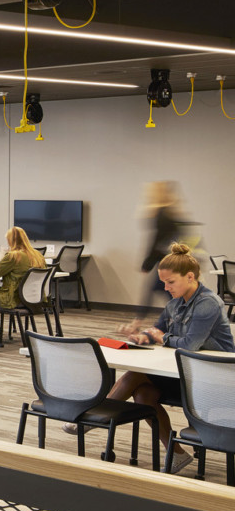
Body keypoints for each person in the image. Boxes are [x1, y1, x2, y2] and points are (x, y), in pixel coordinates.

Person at [95, 244, 234, 474]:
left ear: (190, 277)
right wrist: (141, 336)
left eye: (170, 282)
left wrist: (161, 336)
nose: (165, 287)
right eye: (163, 282)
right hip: (186, 373)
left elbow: (189, 344)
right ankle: (177, 454)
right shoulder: (175, 303)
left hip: (214, 379)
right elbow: (157, 330)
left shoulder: (207, 303)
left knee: (135, 375)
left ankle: (95, 414)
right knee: (143, 394)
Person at [139, 181, 191, 316]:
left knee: (161, 289)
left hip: (166, 259)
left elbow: (157, 240)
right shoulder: (172, 212)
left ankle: (138, 320)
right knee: (163, 289)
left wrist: (148, 263)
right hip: (172, 258)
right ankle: (182, 315)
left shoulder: (161, 214)